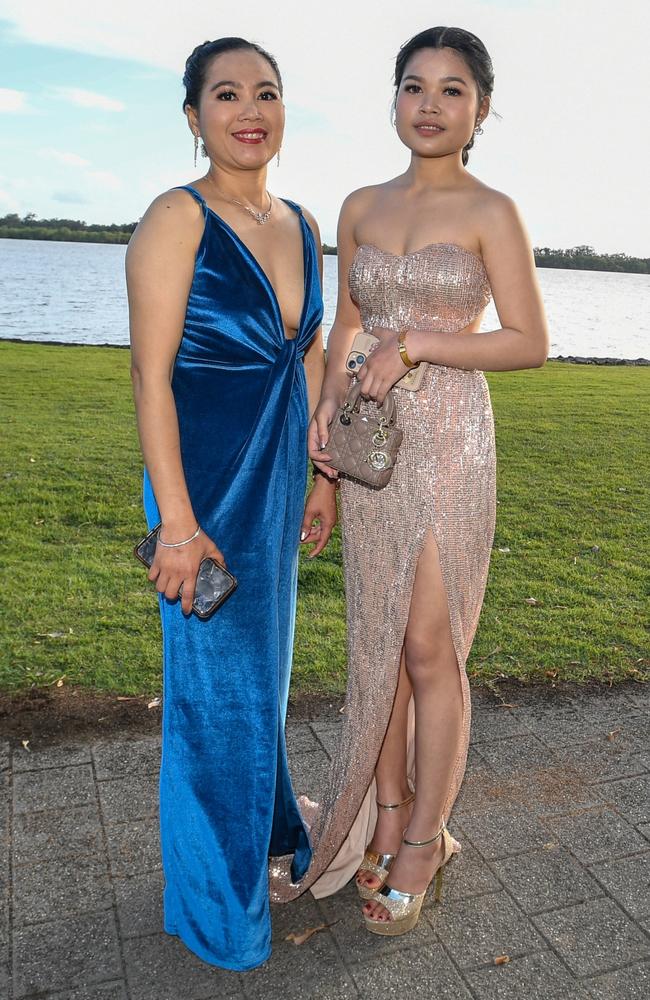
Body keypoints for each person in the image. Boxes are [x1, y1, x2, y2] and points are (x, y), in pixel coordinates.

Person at [273, 25, 548, 934]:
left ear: (480, 108)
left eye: (452, 90)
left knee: (431, 651)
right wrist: (325, 441)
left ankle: (426, 836)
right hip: (367, 450)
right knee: (378, 648)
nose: (430, 105)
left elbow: (527, 342)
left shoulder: (492, 210)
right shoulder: (358, 206)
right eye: (414, 86)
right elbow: (344, 331)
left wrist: (420, 343)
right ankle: (383, 815)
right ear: (393, 99)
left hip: (452, 444)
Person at [126, 37, 336, 971]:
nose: (249, 109)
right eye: (226, 94)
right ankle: (218, 914)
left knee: (260, 689)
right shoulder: (176, 217)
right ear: (193, 115)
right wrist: (175, 520)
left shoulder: (301, 218)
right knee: (215, 701)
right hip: (203, 488)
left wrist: (323, 477)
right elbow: (149, 376)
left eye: (267, 92)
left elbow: (316, 354)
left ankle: (261, 836)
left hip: (281, 477)